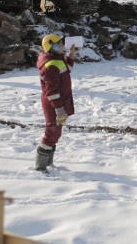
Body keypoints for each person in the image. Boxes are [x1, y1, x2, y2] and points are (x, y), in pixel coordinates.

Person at [36, 34, 79, 171]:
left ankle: (49, 163)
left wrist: (71, 54)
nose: (62, 46)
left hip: (58, 103)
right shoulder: (51, 66)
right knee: (52, 132)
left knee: (56, 132)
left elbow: (67, 69)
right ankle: (40, 166)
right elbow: (52, 91)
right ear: (52, 47)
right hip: (53, 104)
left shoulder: (56, 61)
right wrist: (59, 109)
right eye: (59, 44)